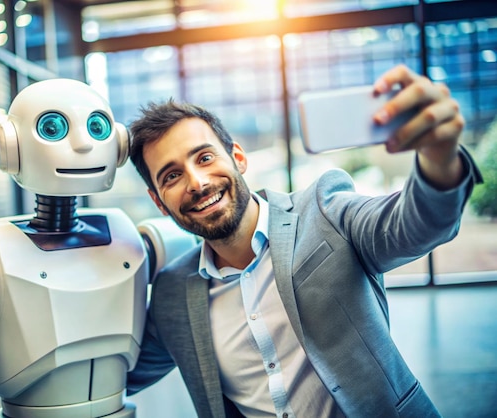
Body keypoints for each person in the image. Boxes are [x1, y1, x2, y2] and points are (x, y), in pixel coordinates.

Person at [125, 64, 482, 418]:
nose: (198, 183)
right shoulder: (171, 294)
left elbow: (415, 225)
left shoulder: (326, 211)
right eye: (171, 176)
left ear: (237, 158)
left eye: (205, 157)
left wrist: (439, 157)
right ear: (158, 200)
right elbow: (108, 375)